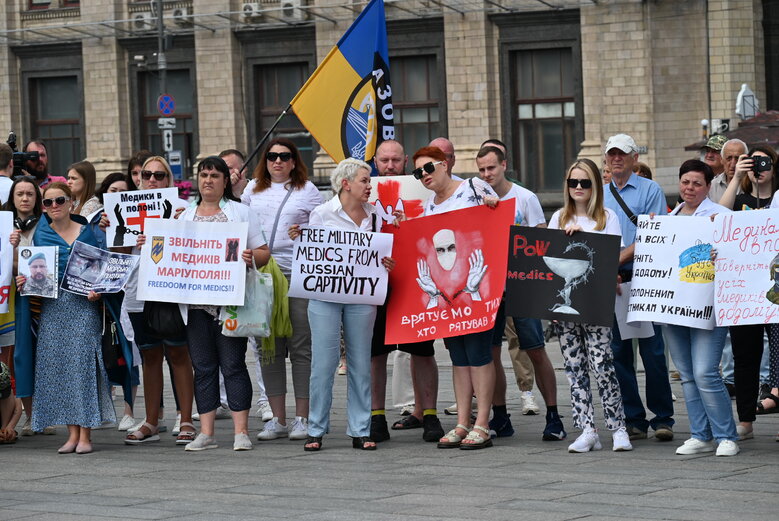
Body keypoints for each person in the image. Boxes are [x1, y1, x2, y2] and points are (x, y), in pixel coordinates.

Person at [289, 158, 395, 452]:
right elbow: (310, 253)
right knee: (323, 363)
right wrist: (299, 238)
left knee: (361, 362)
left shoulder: (375, 215)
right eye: (364, 180)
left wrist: (387, 261)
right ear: (345, 184)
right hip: (325, 296)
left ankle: (360, 429)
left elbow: (380, 253)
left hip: (362, 296)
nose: (369, 186)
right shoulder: (322, 213)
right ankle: (316, 428)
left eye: (369, 181)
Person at [403, 146, 500, 450]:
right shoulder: (430, 206)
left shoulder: (472, 187)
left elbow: (500, 221)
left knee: (480, 353)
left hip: (478, 285)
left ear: (444, 165)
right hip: (448, 294)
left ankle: (483, 423)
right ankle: (462, 421)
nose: (424, 176)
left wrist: (493, 207)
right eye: (418, 173)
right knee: (459, 357)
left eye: (428, 168)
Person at [176, 156, 270, 451]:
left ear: (225, 181)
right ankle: (206, 433)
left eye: (215, 175)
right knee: (203, 367)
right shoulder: (184, 217)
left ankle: (241, 432)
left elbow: (265, 253)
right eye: (203, 175)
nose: (208, 180)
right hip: (195, 306)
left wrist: (250, 256)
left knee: (232, 364)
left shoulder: (241, 213)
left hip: (231, 304)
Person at [15, 182, 114, 453]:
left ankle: (86, 434)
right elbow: (34, 274)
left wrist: (98, 293)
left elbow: (102, 271)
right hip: (53, 309)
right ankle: (72, 433)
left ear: (71, 202)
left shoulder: (89, 232)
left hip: (83, 307)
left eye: (59, 200)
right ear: (43, 208)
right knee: (59, 369)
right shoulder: (40, 236)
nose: (54, 206)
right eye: (47, 203)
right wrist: (25, 280)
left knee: (82, 367)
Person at [547, 158, 631, 452]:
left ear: (595, 185)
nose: (579, 188)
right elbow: (549, 259)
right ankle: (586, 428)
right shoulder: (558, 217)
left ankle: (618, 426)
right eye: (573, 183)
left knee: (603, 364)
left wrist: (587, 239)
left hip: (596, 302)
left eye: (585, 182)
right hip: (567, 305)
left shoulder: (607, 217)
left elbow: (613, 256)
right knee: (573, 367)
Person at [241, 138, 322, 442]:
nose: (278, 162)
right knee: (268, 347)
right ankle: (278, 419)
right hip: (261, 275)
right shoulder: (251, 189)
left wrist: (305, 232)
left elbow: (321, 229)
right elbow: (241, 225)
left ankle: (302, 417)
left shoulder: (309, 190)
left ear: (294, 161)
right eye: (272, 156)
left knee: (301, 347)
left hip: (296, 274)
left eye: (284, 157)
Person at [476, 145, 559, 440]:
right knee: (491, 353)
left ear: (504, 166)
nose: (487, 175)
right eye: (482, 170)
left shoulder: (525, 198)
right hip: (489, 285)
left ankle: (553, 416)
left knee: (535, 349)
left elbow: (543, 239)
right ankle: (500, 417)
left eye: (492, 168)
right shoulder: (475, 199)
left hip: (522, 282)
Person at [115, 156, 196, 446]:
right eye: (146, 174)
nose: (151, 179)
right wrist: (114, 232)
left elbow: (193, 247)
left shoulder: (182, 209)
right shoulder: (122, 209)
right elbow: (117, 254)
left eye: (159, 175)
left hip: (170, 290)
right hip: (137, 292)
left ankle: (186, 418)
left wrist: (176, 227)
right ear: (137, 178)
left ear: (168, 179)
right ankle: (151, 420)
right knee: (149, 356)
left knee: (178, 354)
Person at [661, 159, 739, 456]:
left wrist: (721, 255)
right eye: (685, 182)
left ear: (708, 187)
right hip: (673, 306)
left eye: (696, 183)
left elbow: (735, 259)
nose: (689, 188)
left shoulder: (720, 216)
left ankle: (725, 435)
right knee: (687, 373)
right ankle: (700, 434)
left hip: (709, 307)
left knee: (706, 372)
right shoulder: (670, 218)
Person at [602, 133, 675, 441]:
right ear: (606, 159)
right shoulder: (599, 194)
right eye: (612, 154)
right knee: (618, 352)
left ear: (634, 158)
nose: (617, 158)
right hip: (612, 280)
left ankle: (663, 417)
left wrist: (616, 259)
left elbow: (652, 232)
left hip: (644, 277)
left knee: (653, 351)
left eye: (623, 154)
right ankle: (633, 417)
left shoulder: (650, 189)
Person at [720, 144, 779, 440]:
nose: (759, 168)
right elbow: (718, 215)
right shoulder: (739, 198)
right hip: (743, 292)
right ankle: (745, 419)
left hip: (775, 291)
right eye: (752, 163)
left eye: (764, 162)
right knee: (745, 356)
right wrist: (736, 177)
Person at [5, 176, 47, 436]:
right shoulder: (3, 227)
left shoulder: (45, 225)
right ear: (13, 198)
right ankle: (31, 415)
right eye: (19, 194)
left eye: (30, 194)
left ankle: (47, 414)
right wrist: (11, 251)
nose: (24, 199)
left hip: (43, 299)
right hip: (16, 297)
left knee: (45, 355)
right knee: (21, 356)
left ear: (36, 199)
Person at [710, 139, 748, 205]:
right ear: (721, 160)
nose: (733, 164)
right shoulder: (712, 186)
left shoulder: (753, 184)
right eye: (729, 158)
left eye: (737, 158)